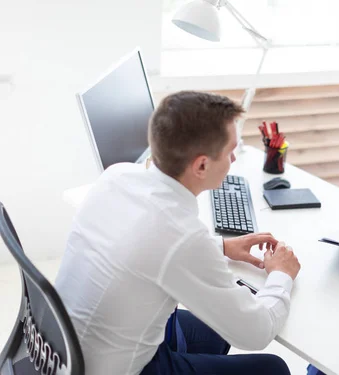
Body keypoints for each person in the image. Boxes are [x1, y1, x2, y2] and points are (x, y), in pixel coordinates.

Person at [55, 91, 301, 375]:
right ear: (201, 165)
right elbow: (256, 333)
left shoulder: (117, 176)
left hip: (66, 349)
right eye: (231, 150)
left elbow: (149, 241)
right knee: (273, 368)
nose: (234, 158)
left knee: (216, 332)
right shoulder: (182, 237)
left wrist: (219, 247)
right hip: (118, 370)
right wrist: (281, 275)